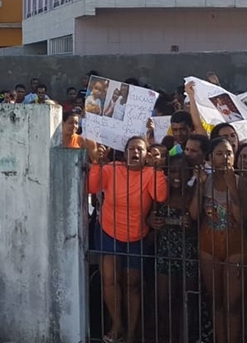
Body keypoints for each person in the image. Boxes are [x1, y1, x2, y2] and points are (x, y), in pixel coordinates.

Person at [86, 135, 167, 343]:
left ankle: (131, 333)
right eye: (131, 148)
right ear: (126, 152)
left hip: (136, 235)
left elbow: (160, 196)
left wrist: (158, 171)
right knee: (110, 280)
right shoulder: (112, 168)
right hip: (108, 231)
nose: (135, 152)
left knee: (132, 285)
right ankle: (117, 324)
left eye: (140, 149)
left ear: (146, 154)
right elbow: (93, 187)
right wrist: (97, 162)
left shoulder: (150, 173)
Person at [148, 155, 213, 343]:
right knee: (164, 301)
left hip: (188, 252)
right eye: (174, 171)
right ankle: (168, 337)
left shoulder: (195, 191)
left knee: (188, 301)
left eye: (183, 171)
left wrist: (190, 224)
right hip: (164, 252)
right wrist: (151, 221)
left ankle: (186, 337)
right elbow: (148, 216)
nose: (177, 175)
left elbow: (198, 218)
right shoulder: (161, 192)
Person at [192, 136, 247, 343]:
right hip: (209, 244)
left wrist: (231, 187)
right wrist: (199, 186)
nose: (225, 158)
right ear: (210, 157)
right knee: (216, 301)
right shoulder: (204, 180)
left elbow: (242, 217)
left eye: (229, 153)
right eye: (219, 154)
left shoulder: (240, 182)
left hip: (235, 245)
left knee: (232, 303)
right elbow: (193, 214)